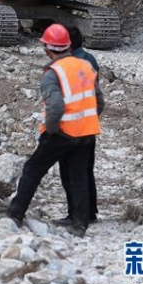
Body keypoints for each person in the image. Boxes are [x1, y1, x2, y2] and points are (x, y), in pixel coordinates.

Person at [7, 24, 104, 238]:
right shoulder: (86, 66)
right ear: (68, 46)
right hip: (86, 133)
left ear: (47, 49)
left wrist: (51, 131)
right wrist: (87, 120)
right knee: (78, 176)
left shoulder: (53, 73)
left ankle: (15, 214)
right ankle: (79, 223)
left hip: (62, 133)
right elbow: (99, 101)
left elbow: (56, 106)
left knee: (32, 170)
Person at [56, 25, 100, 227]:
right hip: (89, 124)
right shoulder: (90, 60)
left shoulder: (67, 65)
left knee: (71, 173)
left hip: (70, 126)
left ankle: (76, 214)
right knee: (86, 170)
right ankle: (90, 211)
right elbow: (97, 97)